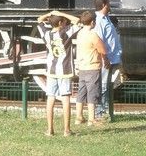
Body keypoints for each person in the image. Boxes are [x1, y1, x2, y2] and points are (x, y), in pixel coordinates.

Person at [37, 9, 81, 137]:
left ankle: (50, 129)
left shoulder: (47, 34)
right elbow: (77, 21)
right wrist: (61, 13)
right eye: (64, 21)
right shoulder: (65, 33)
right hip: (65, 70)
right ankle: (67, 130)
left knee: (50, 99)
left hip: (51, 70)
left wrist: (50, 14)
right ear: (61, 22)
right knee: (65, 99)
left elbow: (39, 20)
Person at [75, 10, 107, 127]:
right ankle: (91, 119)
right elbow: (102, 50)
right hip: (92, 67)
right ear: (93, 22)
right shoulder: (93, 35)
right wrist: (106, 59)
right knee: (92, 93)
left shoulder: (80, 33)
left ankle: (78, 116)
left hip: (82, 67)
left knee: (81, 92)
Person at [94, 0, 122, 120]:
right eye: (108, 3)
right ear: (104, 5)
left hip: (112, 57)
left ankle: (105, 110)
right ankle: (99, 112)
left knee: (107, 84)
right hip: (106, 58)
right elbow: (98, 41)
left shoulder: (106, 18)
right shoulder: (99, 21)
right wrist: (104, 58)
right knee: (103, 85)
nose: (110, 5)